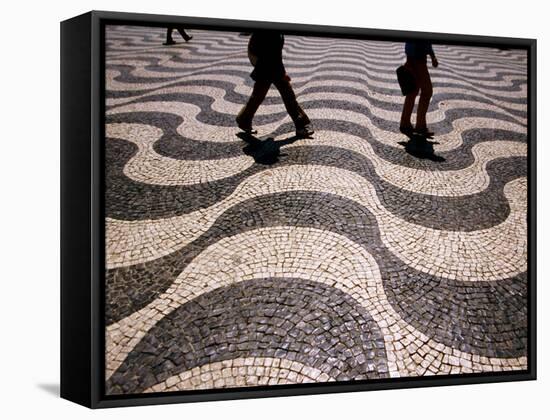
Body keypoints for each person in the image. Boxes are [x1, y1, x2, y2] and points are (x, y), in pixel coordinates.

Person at [236, 30, 314, 138]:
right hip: (268, 66)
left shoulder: (275, 30)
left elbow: (275, 54)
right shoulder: (270, 31)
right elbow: (272, 55)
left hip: (269, 65)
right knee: (288, 95)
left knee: (259, 96)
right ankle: (300, 126)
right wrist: (282, 74)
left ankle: (244, 120)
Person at [399, 41, 438, 137]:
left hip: (414, 55)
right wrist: (432, 55)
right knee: (427, 92)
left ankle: (405, 123)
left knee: (413, 91)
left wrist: (432, 55)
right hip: (418, 57)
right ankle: (420, 125)